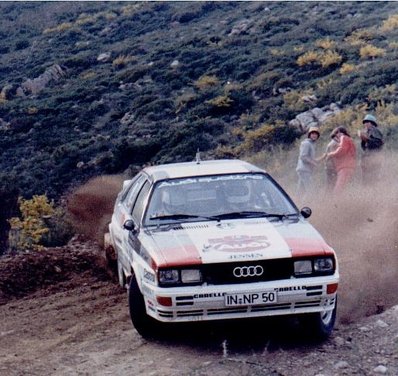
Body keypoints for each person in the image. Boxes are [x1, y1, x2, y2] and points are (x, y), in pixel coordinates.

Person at [326, 126, 357, 194]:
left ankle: (336, 204)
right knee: (343, 189)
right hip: (349, 167)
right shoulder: (350, 140)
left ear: (340, 132)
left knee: (338, 190)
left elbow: (342, 150)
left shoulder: (343, 137)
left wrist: (331, 154)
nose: (337, 136)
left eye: (336, 134)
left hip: (344, 167)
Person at [358, 114, 384, 184]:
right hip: (367, 159)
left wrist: (366, 139)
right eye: (365, 122)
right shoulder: (367, 132)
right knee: (366, 181)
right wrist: (363, 140)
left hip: (373, 159)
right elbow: (365, 148)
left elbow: (378, 144)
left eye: (367, 122)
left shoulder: (375, 130)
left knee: (372, 179)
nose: (365, 124)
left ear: (372, 123)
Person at [296, 126, 321, 198]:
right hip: (304, 170)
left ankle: (296, 204)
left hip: (304, 170)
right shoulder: (306, 143)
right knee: (311, 191)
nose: (314, 135)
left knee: (300, 191)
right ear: (309, 135)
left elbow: (310, 158)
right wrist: (313, 163)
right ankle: (308, 205)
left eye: (316, 134)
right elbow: (303, 157)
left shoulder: (312, 144)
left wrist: (323, 157)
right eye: (312, 133)